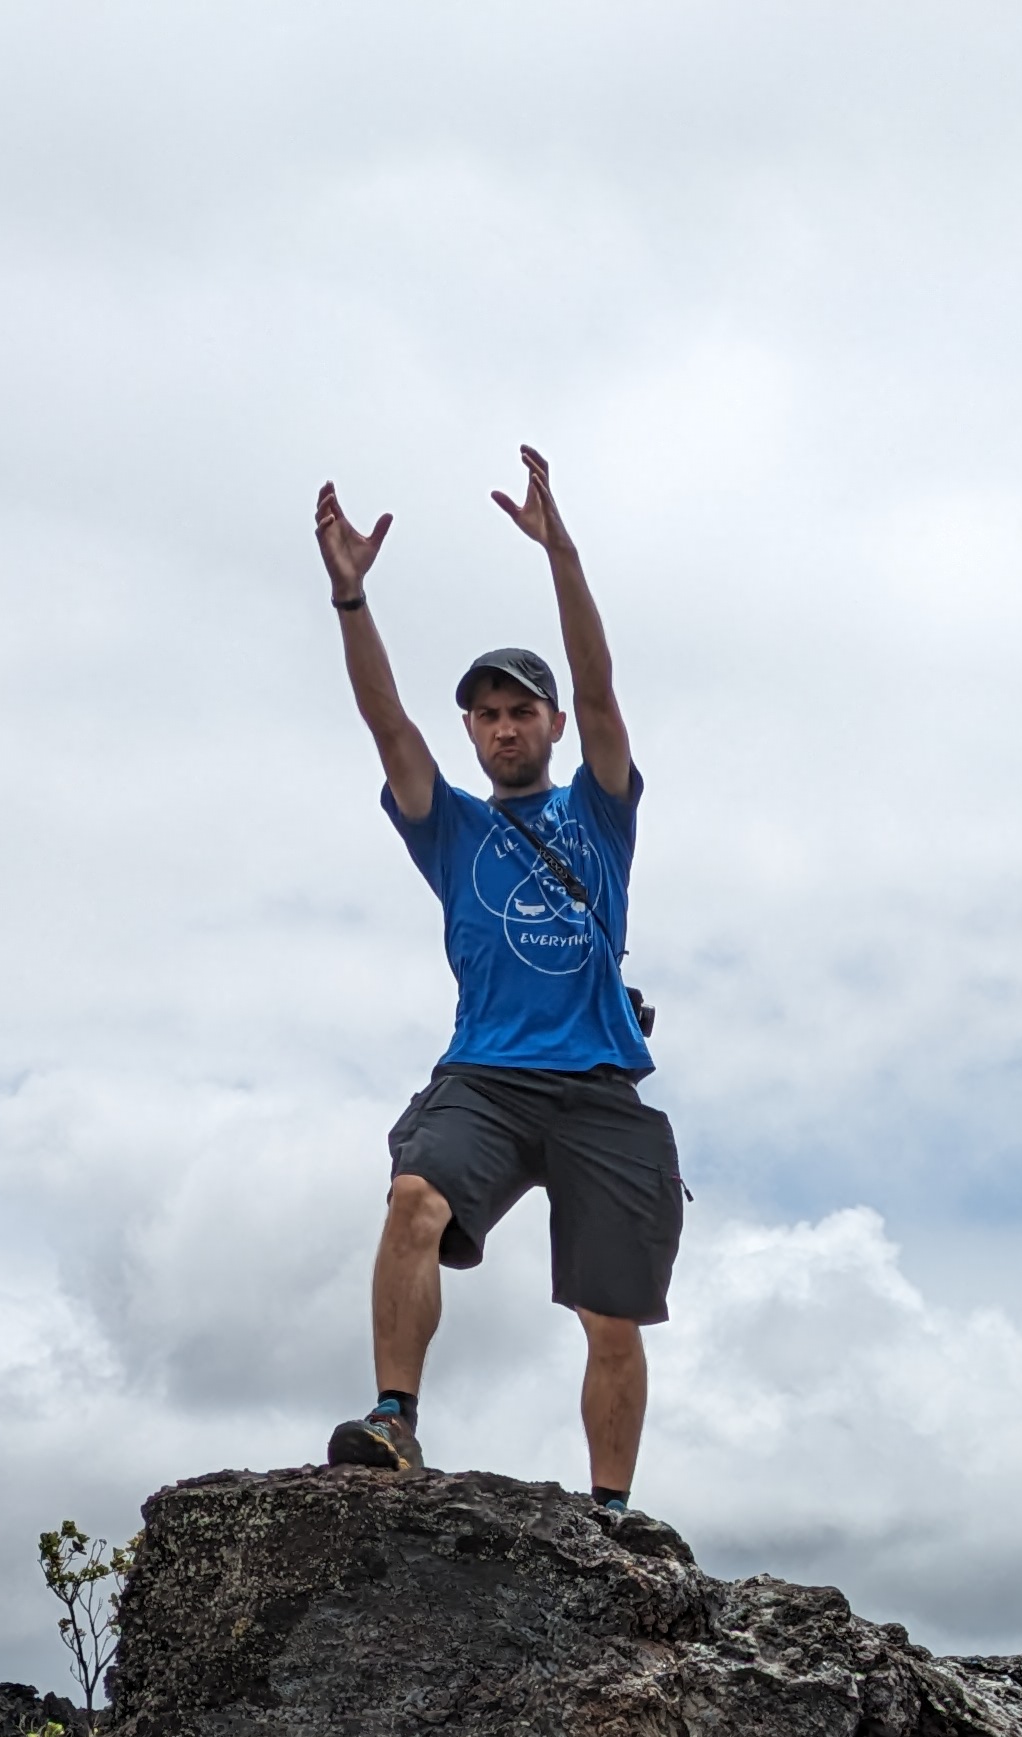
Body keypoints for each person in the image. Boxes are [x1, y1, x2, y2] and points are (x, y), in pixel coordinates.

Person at [310, 446, 682, 1528]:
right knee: (413, 1199)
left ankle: (610, 1514)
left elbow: (601, 689)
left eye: (523, 708)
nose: (505, 725)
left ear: (551, 725)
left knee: (612, 1317)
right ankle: (393, 1421)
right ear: (471, 731)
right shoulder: (451, 827)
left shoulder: (598, 808)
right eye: (486, 713)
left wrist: (562, 553)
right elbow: (386, 723)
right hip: (486, 1076)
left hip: (600, 1085)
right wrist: (350, 596)